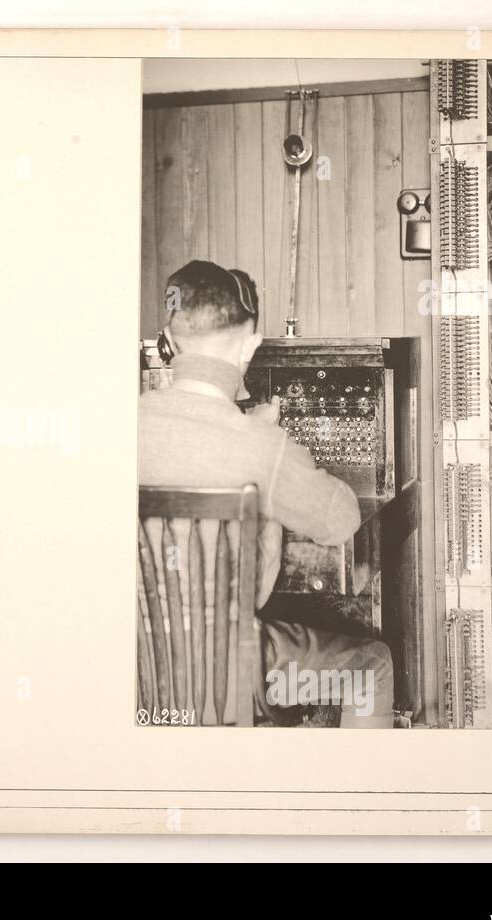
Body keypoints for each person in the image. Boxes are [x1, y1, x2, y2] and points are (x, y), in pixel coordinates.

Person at [138, 259, 394, 728]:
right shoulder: (259, 446)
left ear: (170, 343)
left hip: (134, 677)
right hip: (234, 677)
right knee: (370, 665)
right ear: (251, 345)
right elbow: (341, 521)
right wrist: (271, 446)